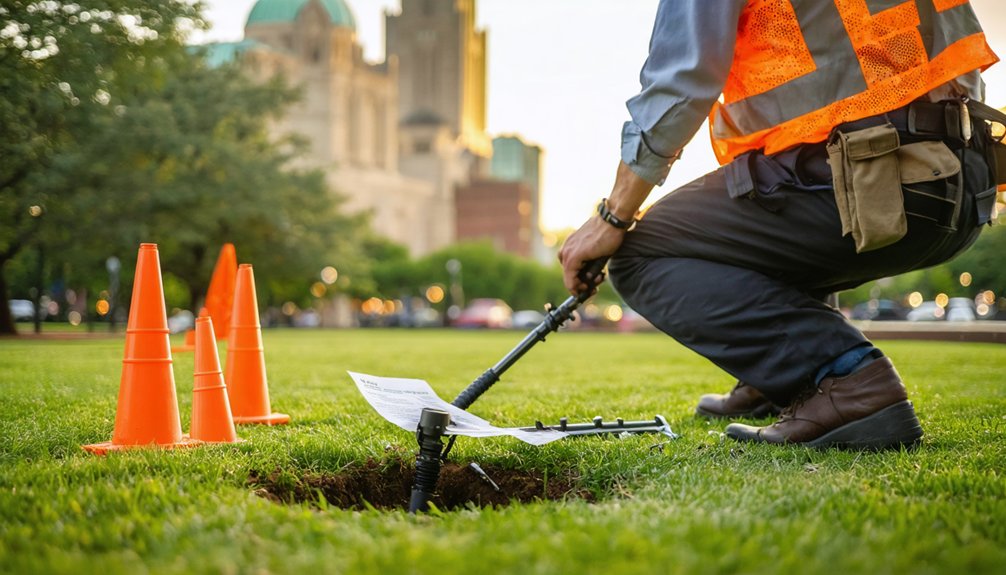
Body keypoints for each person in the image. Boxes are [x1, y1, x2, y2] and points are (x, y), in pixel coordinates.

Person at [559, 0, 1001, 449]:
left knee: (639, 254)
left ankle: (844, 376)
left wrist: (614, 215)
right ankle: (780, 380)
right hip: (963, 181)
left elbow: (681, 81)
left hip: (875, 174)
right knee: (755, 207)